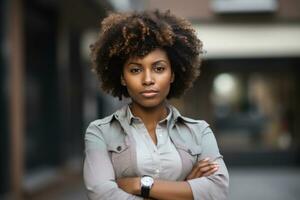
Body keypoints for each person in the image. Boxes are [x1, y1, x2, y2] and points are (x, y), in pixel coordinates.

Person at [83, 10, 229, 200]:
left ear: (173, 74)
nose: (148, 79)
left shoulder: (199, 132)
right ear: (122, 78)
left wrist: (139, 184)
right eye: (135, 70)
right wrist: (185, 188)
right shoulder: (100, 133)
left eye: (159, 68)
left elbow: (218, 191)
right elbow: (102, 195)